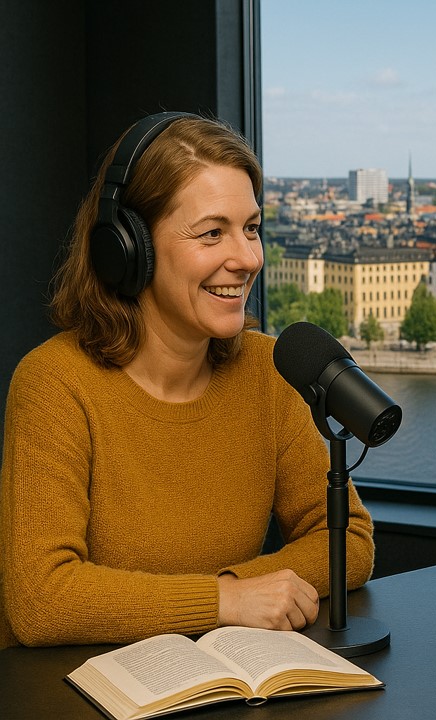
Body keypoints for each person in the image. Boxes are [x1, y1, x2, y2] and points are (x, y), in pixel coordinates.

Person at [0, 112, 375, 648]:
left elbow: (349, 541)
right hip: (68, 685)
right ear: (128, 247)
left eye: (251, 228)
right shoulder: (54, 384)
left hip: (211, 678)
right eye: (212, 233)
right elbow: (41, 599)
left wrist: (231, 593)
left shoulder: (269, 372)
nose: (247, 258)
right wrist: (225, 600)